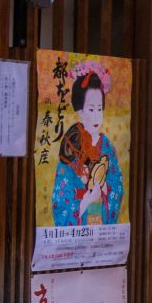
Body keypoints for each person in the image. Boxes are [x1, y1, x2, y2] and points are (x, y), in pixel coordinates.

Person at [52, 66, 124, 227]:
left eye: (100, 109)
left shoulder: (108, 148)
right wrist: (84, 202)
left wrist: (104, 189)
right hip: (79, 219)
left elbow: (117, 187)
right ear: (80, 111)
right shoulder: (70, 146)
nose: (97, 115)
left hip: (102, 222)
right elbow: (60, 197)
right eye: (91, 109)